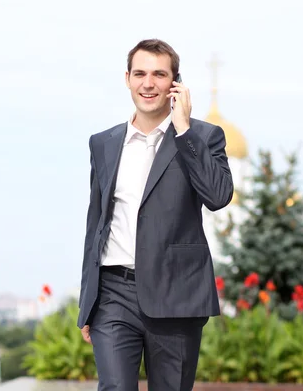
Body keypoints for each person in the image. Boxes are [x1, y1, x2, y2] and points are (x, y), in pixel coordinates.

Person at [77, 39, 234, 391]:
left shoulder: (203, 137)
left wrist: (184, 131)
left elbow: (218, 196)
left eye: (159, 75)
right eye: (140, 74)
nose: (148, 83)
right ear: (128, 79)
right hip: (114, 293)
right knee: (115, 386)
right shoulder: (103, 143)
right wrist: (88, 300)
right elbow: (96, 223)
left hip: (176, 294)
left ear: (175, 83)